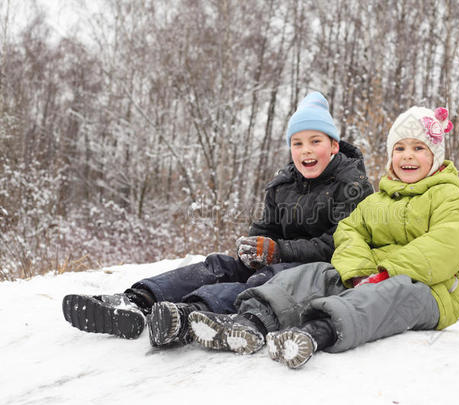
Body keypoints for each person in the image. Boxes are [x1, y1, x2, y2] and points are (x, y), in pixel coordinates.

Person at [62, 91, 374, 348]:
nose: (306, 150)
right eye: (298, 143)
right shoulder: (283, 184)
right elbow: (265, 228)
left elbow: (339, 244)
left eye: (315, 141)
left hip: (319, 270)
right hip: (279, 258)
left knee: (264, 279)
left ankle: (190, 313)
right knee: (221, 265)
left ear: (333, 145)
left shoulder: (351, 185)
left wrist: (278, 252)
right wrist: (254, 247)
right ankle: (136, 300)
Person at [188, 106, 459, 368]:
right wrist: (361, 271)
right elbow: (349, 231)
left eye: (419, 148)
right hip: (368, 276)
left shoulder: (447, 195)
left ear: (436, 156)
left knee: (395, 292)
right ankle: (251, 322)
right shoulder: (379, 200)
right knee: (316, 273)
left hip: (432, 290)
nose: (408, 155)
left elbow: (449, 242)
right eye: (400, 148)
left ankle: (315, 333)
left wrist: (388, 272)